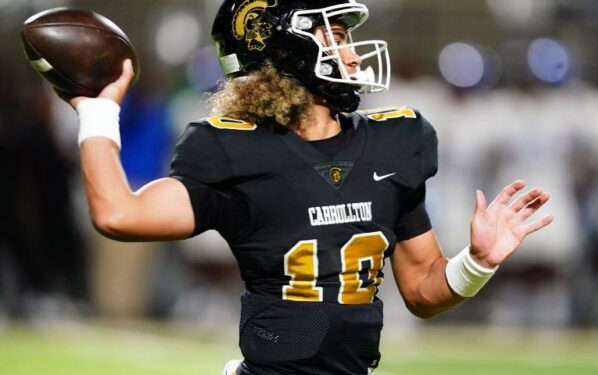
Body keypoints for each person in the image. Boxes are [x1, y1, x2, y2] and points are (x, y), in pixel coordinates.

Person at [62, 1, 553, 374]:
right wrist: (97, 109)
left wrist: (476, 263)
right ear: (285, 48)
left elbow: (423, 290)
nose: (352, 53)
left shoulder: (393, 144)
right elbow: (118, 214)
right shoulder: (234, 152)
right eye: (335, 35)